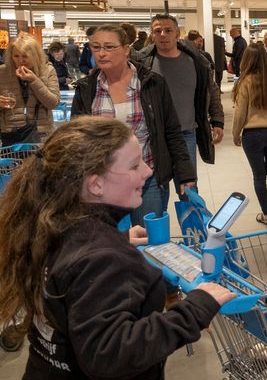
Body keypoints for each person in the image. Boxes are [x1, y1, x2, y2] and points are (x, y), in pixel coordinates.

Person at [0, 116, 234, 379]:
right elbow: (109, 354)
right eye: (134, 165)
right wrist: (195, 310)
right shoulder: (102, 257)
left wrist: (117, 242)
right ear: (96, 184)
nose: (147, 171)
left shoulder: (52, 225)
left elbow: (72, 272)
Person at [72, 24, 196, 226]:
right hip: (104, 183)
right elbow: (76, 139)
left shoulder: (152, 83)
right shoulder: (87, 89)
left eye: (110, 47)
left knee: (149, 240)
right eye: (96, 47)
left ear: (126, 49)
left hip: (148, 178)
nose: (101, 53)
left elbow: (172, 131)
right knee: (110, 244)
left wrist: (185, 173)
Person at [136, 14, 225, 192]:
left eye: (168, 30)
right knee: (154, 192)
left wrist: (217, 120)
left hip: (186, 134)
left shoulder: (197, 62)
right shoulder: (142, 64)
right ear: (152, 35)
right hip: (153, 136)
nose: (163, 34)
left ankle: (191, 220)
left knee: (188, 190)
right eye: (157, 31)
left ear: (177, 34)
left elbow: (211, 90)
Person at [232, 43, 267, 226]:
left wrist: (235, 133)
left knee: (259, 176)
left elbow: (240, 113)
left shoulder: (244, 82)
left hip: (252, 134)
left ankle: (266, 214)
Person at [0, 33, 60, 143]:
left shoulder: (47, 70)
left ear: (35, 55)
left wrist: (34, 81)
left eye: (25, 56)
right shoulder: (2, 72)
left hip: (41, 134)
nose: (20, 60)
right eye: (16, 56)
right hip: (11, 134)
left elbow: (53, 103)